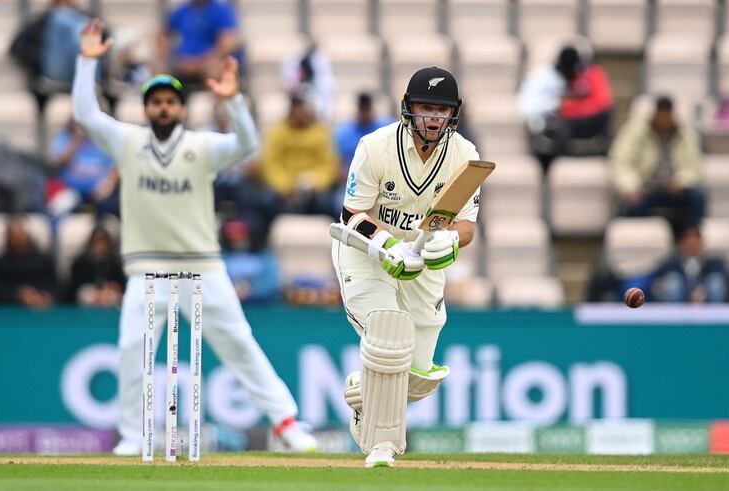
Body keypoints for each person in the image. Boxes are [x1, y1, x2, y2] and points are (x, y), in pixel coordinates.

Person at [72, 19, 316, 455]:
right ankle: (132, 436)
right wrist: (87, 62)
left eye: (171, 102)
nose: (163, 108)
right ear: (146, 109)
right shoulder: (127, 143)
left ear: (182, 108)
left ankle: (286, 423)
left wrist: (235, 100)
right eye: (156, 102)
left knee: (238, 343)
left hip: (201, 267)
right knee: (133, 350)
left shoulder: (201, 147)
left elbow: (246, 146)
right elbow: (87, 115)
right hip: (147, 269)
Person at [332, 67, 481, 467]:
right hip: (366, 254)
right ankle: (383, 449)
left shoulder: (465, 155)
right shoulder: (375, 146)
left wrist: (448, 242)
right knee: (390, 340)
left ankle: (364, 389)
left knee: (420, 377)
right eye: (426, 107)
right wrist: (388, 245)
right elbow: (352, 214)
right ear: (408, 109)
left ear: (454, 114)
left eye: (442, 109)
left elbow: (466, 224)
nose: (433, 117)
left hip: (424, 261)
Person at [242, 94, 339, 245]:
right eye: (296, 107)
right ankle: (263, 247)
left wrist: (315, 184)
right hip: (284, 192)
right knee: (262, 205)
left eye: (302, 107)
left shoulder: (321, 132)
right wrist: (286, 187)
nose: (299, 112)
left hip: (315, 191)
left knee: (337, 206)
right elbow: (271, 165)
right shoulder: (278, 132)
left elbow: (328, 166)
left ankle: (340, 250)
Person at [610, 96, 706, 228]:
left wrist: (681, 181)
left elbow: (694, 166)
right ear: (655, 114)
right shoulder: (635, 131)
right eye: (661, 115)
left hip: (674, 190)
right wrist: (631, 187)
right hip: (645, 189)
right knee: (633, 206)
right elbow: (620, 162)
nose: (664, 120)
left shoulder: (685, 133)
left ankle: (690, 240)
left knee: (697, 197)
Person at [518, 45, 613, 173]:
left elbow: (600, 103)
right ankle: (553, 168)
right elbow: (528, 107)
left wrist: (568, 107)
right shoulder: (546, 77)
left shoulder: (591, 74)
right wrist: (562, 106)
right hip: (541, 119)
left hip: (575, 118)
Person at [156, 0, 243, 90]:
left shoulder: (222, 11)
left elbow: (227, 43)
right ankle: (166, 102)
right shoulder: (181, 10)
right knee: (160, 69)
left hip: (208, 63)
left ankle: (215, 103)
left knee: (217, 71)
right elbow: (162, 35)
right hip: (182, 62)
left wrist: (200, 63)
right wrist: (169, 56)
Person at [47, 119, 119, 217]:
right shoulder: (66, 137)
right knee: (56, 208)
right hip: (71, 191)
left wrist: (108, 184)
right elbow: (59, 162)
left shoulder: (105, 141)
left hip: (99, 193)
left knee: (112, 206)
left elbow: (116, 166)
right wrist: (76, 140)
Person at [651, 223, 728, 303]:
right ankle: (674, 314)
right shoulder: (670, 263)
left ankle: (716, 314)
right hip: (681, 299)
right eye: (689, 242)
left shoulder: (714, 263)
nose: (693, 245)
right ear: (681, 243)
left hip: (706, 299)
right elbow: (656, 281)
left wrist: (702, 289)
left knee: (715, 283)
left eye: (696, 242)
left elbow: (725, 281)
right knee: (673, 283)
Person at [0, 215, 57, 308]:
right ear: (8, 237)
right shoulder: (0, 263)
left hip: (41, 309)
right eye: (14, 236)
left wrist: (44, 296)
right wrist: (18, 295)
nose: (18, 239)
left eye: (21, 235)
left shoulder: (43, 260)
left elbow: (55, 286)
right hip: (10, 310)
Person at [68, 224, 126, 307]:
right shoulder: (80, 263)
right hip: (89, 298)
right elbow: (74, 289)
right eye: (98, 241)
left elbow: (121, 286)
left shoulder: (115, 263)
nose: (101, 245)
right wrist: (95, 293)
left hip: (109, 298)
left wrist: (113, 287)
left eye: (103, 241)